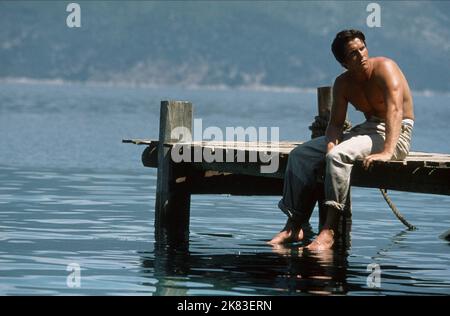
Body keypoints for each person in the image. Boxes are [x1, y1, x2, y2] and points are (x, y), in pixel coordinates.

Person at [268, 29, 415, 250]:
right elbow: (335, 124)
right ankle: (294, 225)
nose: (361, 56)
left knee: (338, 156)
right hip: (368, 129)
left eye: (362, 49)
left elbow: (395, 111)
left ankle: (329, 230)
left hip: (396, 134)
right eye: (353, 54)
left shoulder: (386, 68)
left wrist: (387, 151)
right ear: (344, 62)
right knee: (301, 155)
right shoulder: (344, 84)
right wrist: (329, 145)